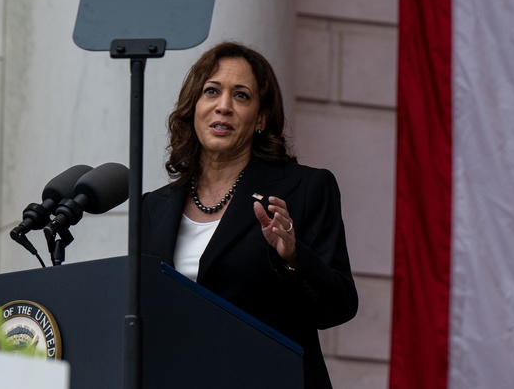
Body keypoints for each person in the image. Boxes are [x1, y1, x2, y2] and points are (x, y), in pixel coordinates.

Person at [142, 41, 358, 389]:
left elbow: (337, 307)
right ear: (193, 107)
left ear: (261, 118)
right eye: (211, 91)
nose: (223, 107)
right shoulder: (153, 208)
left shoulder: (305, 189)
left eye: (241, 96)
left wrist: (292, 257)